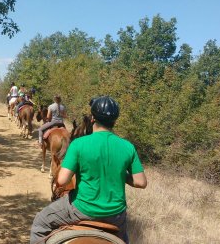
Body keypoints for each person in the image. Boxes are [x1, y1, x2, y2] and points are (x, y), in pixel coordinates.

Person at [30, 96, 147, 244]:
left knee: (40, 222)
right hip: (115, 215)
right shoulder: (127, 146)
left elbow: (62, 180)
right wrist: (121, 173)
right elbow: (141, 182)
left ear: (92, 118)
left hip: (81, 210)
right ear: (114, 121)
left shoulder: (79, 144)